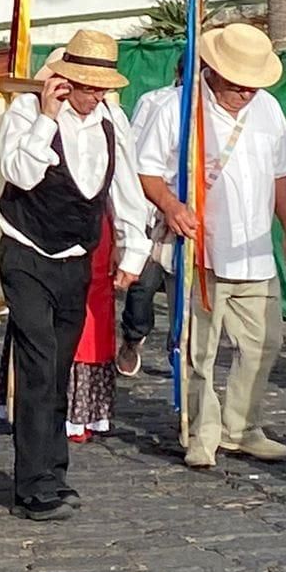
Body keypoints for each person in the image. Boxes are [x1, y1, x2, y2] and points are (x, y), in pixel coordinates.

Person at [0, 31, 150, 520]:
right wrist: (46, 118)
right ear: (64, 79)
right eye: (85, 85)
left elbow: (124, 189)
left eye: (101, 87)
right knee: (38, 366)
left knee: (59, 368)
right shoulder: (25, 112)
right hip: (25, 254)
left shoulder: (113, 122)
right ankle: (32, 486)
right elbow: (20, 173)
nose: (94, 95)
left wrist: (132, 250)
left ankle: (53, 473)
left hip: (76, 259)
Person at [138, 22, 286, 471]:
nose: (246, 92)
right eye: (237, 83)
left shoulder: (267, 108)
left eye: (252, 84)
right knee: (198, 348)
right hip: (199, 248)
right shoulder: (176, 108)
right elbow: (145, 169)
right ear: (211, 70)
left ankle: (242, 427)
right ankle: (201, 432)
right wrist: (171, 205)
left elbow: (283, 173)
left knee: (264, 343)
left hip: (255, 252)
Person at [116, 56, 183, 379]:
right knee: (143, 286)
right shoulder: (156, 103)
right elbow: (137, 155)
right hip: (155, 212)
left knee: (184, 292)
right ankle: (132, 337)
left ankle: (179, 349)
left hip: (194, 216)